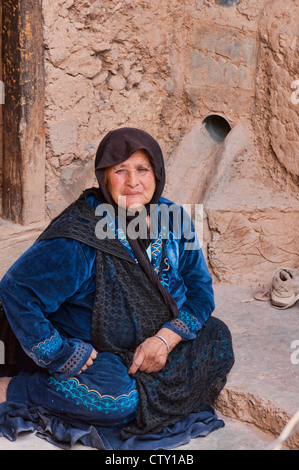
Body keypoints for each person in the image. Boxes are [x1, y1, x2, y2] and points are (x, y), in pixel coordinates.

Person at [0, 128, 234, 450]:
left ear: (157, 174)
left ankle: (148, 374)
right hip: (99, 354)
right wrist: (61, 354)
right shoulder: (80, 235)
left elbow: (200, 292)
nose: (133, 181)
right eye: (119, 170)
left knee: (218, 340)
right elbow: (16, 290)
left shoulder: (175, 218)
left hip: (156, 342)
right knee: (115, 402)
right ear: (104, 177)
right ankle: (16, 387)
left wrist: (165, 339)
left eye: (142, 169)